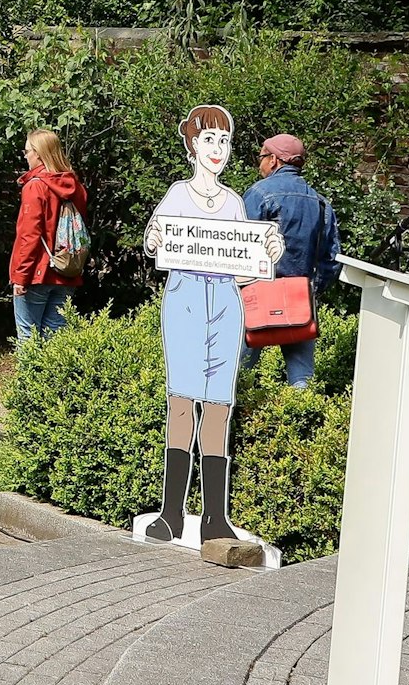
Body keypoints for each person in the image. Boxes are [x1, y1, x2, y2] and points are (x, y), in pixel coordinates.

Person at [141, 105, 281, 542]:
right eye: (209, 140)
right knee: (181, 404)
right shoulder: (178, 195)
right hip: (184, 301)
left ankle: (214, 518)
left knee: (219, 406)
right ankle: (172, 514)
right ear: (192, 146)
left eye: (224, 140)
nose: (217, 148)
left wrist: (268, 253)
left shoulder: (236, 203)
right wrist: (156, 238)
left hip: (225, 303)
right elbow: (153, 243)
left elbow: (244, 267)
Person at [240, 133, 340, 386]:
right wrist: (313, 289)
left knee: (237, 372)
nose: (259, 163)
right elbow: (331, 258)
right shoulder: (320, 203)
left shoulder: (258, 194)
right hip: (301, 301)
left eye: (261, 156)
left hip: (256, 298)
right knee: (302, 378)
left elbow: (238, 248)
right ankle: (300, 421)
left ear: (273, 160)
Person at [9, 128, 88, 342]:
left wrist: (20, 277)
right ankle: (54, 377)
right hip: (67, 271)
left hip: (37, 273)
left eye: (27, 152)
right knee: (57, 339)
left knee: (28, 338)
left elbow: (29, 236)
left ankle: (30, 377)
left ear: (39, 153)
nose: (25, 157)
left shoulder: (35, 187)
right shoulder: (76, 187)